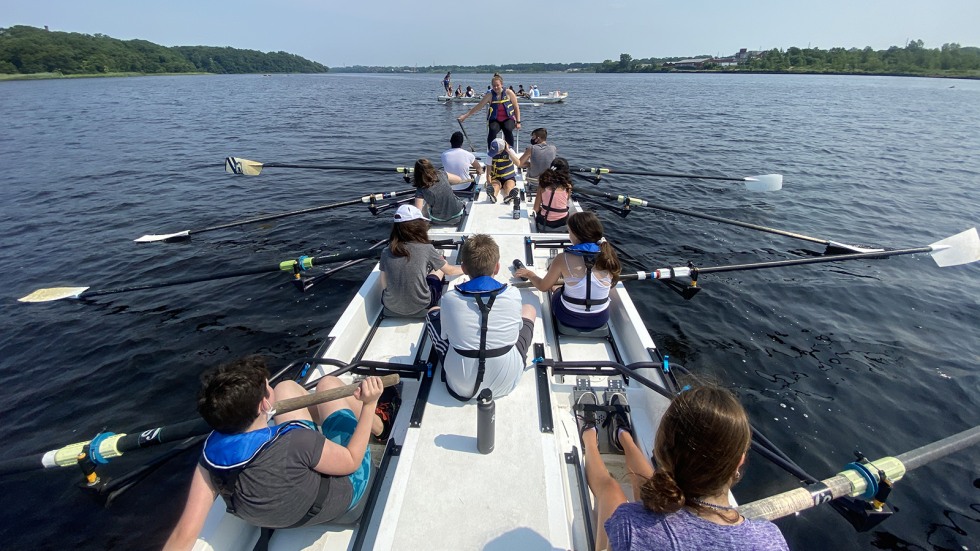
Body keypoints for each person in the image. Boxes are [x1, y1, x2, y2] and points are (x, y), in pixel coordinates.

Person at [165, 357, 394, 550]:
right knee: (328, 385)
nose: (271, 388)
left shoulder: (210, 459)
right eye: (268, 387)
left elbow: (184, 535)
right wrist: (369, 404)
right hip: (347, 503)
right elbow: (352, 461)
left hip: (283, 519)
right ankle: (380, 425)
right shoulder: (297, 441)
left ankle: (329, 420)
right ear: (264, 406)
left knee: (287, 388)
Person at [582, 385, 790, 551]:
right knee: (646, 483)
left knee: (611, 490)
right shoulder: (770, 539)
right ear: (739, 461)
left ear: (661, 451)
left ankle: (591, 437)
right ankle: (622, 435)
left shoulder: (629, 522)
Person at [425, 234, 536, 401]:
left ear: (464, 268)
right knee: (529, 309)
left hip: (461, 386)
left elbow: (445, 337)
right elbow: (517, 329)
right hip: (507, 381)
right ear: (497, 268)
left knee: (433, 312)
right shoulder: (513, 294)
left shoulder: (450, 299)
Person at [515, 211, 620, 331]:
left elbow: (543, 287)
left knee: (554, 287)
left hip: (568, 317)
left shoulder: (562, 258)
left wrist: (529, 274)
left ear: (575, 234)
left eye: (569, 231)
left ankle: (556, 288)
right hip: (600, 318)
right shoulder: (608, 255)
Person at [381, 203, 464, 318]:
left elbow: (384, 284)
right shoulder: (426, 248)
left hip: (390, 307)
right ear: (418, 226)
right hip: (423, 307)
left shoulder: (386, 251)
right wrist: (468, 268)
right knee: (439, 270)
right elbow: (450, 271)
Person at [458, 73, 522, 150]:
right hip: (495, 119)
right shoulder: (490, 95)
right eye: (494, 85)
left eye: (497, 85)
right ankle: (491, 152)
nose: (496, 87)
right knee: (492, 131)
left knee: (508, 129)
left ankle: (510, 151)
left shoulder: (509, 93)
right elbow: (478, 107)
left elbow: (516, 107)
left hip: (508, 118)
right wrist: (465, 116)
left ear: (501, 84)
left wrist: (518, 122)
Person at [411, 159, 467, 226]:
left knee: (426, 207)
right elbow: (458, 179)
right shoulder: (442, 173)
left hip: (440, 220)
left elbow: (418, 212)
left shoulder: (420, 190)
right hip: (458, 213)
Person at [530, 157, 572, 231]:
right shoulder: (568, 186)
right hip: (563, 221)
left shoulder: (542, 185)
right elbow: (566, 202)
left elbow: (535, 209)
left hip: (545, 222)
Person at [487, 138, 518, 204]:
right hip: (496, 177)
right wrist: (489, 183)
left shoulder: (510, 152)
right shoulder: (490, 154)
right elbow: (488, 172)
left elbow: (518, 163)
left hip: (509, 177)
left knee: (508, 186)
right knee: (495, 186)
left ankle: (509, 196)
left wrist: (509, 151)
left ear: (502, 149)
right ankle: (493, 195)